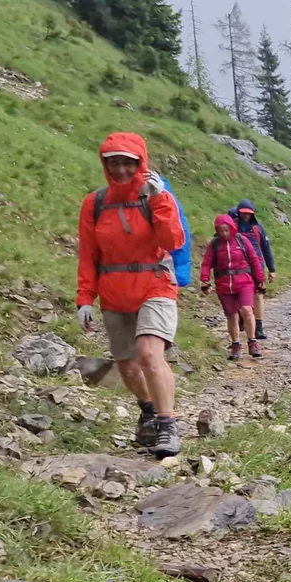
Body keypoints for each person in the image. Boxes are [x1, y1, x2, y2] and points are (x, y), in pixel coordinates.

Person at [75, 132, 184, 457]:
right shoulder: (94, 204)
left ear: (140, 163)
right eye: (114, 163)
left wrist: (160, 200)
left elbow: (174, 240)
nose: (121, 169)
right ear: (105, 164)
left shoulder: (154, 195)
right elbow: (88, 255)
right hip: (114, 293)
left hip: (155, 285)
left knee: (149, 354)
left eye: (128, 163)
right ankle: (148, 410)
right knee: (127, 367)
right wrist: (84, 298)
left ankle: (167, 425)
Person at [200, 211, 267, 360]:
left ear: (231, 228)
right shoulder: (214, 245)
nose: (224, 233)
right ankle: (236, 344)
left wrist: (260, 278)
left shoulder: (242, 241)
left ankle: (252, 342)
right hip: (224, 285)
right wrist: (204, 280)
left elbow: (254, 260)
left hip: (244, 282)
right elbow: (206, 263)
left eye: (226, 230)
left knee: (247, 310)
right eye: (220, 230)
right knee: (231, 315)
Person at [231, 200, 276, 339]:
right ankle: (243, 319)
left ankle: (258, 327)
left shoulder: (258, 228)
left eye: (249, 214)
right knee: (239, 295)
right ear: (239, 213)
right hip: (238, 267)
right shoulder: (232, 227)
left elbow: (266, 249)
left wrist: (271, 269)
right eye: (243, 213)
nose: (246, 216)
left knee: (258, 296)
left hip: (257, 266)